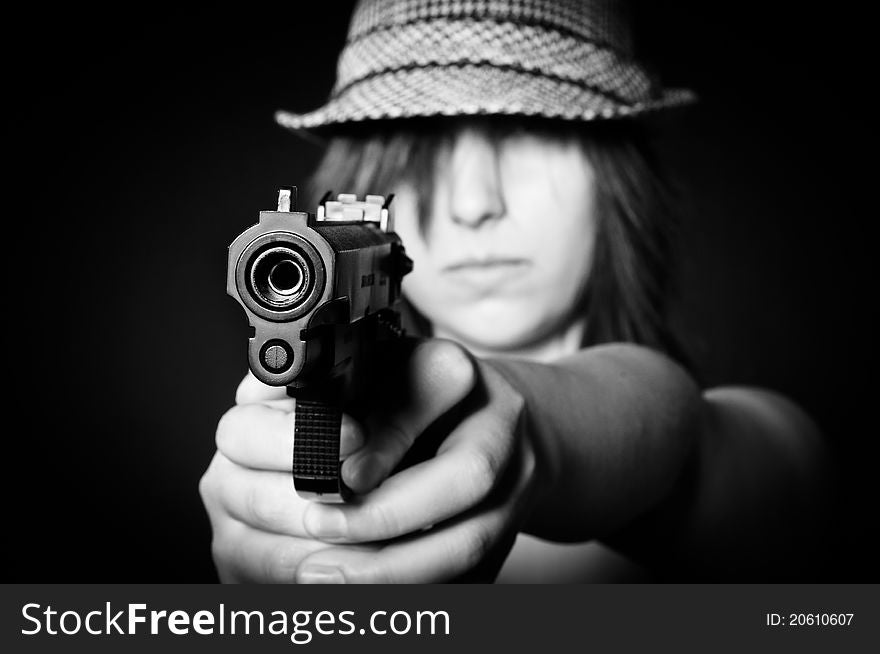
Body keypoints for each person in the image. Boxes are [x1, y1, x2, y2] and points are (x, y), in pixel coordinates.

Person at [199, 0, 828, 583]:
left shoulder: (766, 452)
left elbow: (675, 437)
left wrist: (533, 430)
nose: (475, 203)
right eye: (422, 152)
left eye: (528, 130)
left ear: (618, 179)